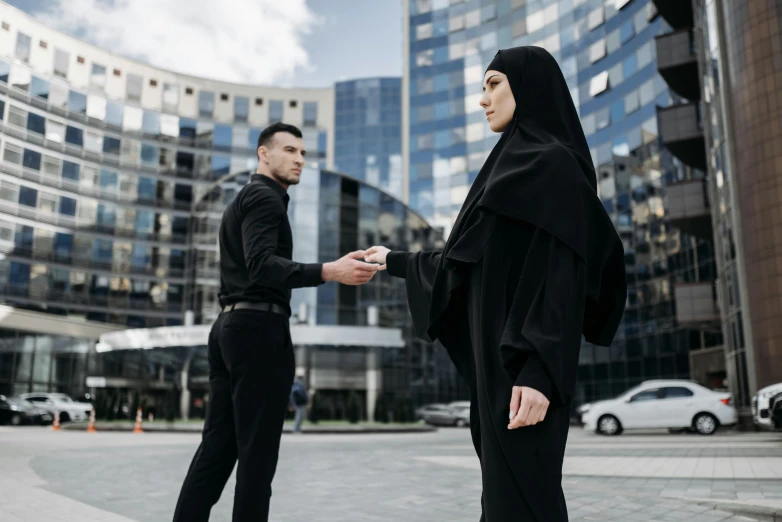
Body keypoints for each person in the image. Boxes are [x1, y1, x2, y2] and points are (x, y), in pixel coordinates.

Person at [364, 46, 627, 521]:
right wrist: (393, 260)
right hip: (496, 371)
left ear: (526, 87)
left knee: (525, 503)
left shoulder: (552, 165)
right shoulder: (508, 169)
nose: (482, 99)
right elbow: (465, 262)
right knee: (505, 502)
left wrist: (538, 371)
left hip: (523, 369)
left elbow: (560, 276)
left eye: (493, 84)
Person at [173, 122, 379, 522]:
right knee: (257, 456)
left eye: (303, 153)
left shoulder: (245, 200)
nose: (299, 159)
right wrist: (328, 271)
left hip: (230, 328)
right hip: (257, 331)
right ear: (263, 154)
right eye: (289, 151)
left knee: (217, 449)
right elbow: (262, 266)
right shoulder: (264, 198)